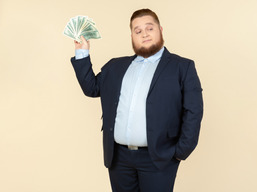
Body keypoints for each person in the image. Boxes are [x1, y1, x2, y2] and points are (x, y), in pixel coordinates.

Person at [70, 8, 203, 192]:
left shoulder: (182, 67)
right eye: (138, 31)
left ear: (161, 30)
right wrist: (82, 52)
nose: (144, 34)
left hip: (158, 158)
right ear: (132, 36)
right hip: (119, 159)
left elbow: (193, 111)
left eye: (150, 28)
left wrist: (180, 152)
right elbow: (92, 88)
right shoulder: (115, 66)